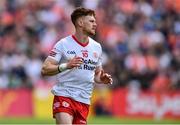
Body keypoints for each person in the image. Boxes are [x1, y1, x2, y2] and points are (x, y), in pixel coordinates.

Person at [41, 7, 113, 124]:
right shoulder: (63, 44)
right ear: (80, 23)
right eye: (91, 21)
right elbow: (45, 69)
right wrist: (66, 66)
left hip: (84, 101)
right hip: (64, 95)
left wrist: (101, 78)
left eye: (95, 21)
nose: (95, 24)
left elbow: (97, 74)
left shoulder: (97, 47)